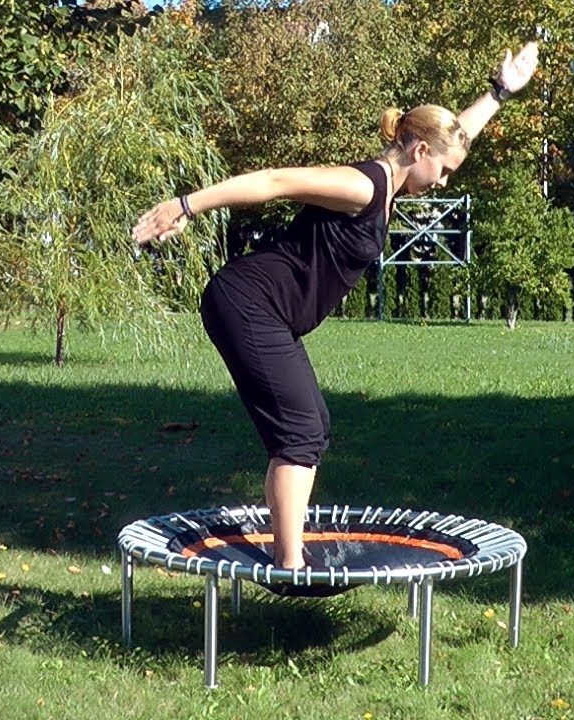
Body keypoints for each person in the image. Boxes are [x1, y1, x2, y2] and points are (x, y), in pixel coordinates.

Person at [132, 42, 539, 572]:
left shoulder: (398, 178)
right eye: (443, 171)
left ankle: (286, 550)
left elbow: (456, 133)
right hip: (248, 303)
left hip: (267, 311)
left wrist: (500, 91)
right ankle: (290, 563)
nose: (443, 182)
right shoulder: (360, 186)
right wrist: (184, 206)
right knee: (301, 431)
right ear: (418, 152)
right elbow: (275, 182)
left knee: (310, 426)